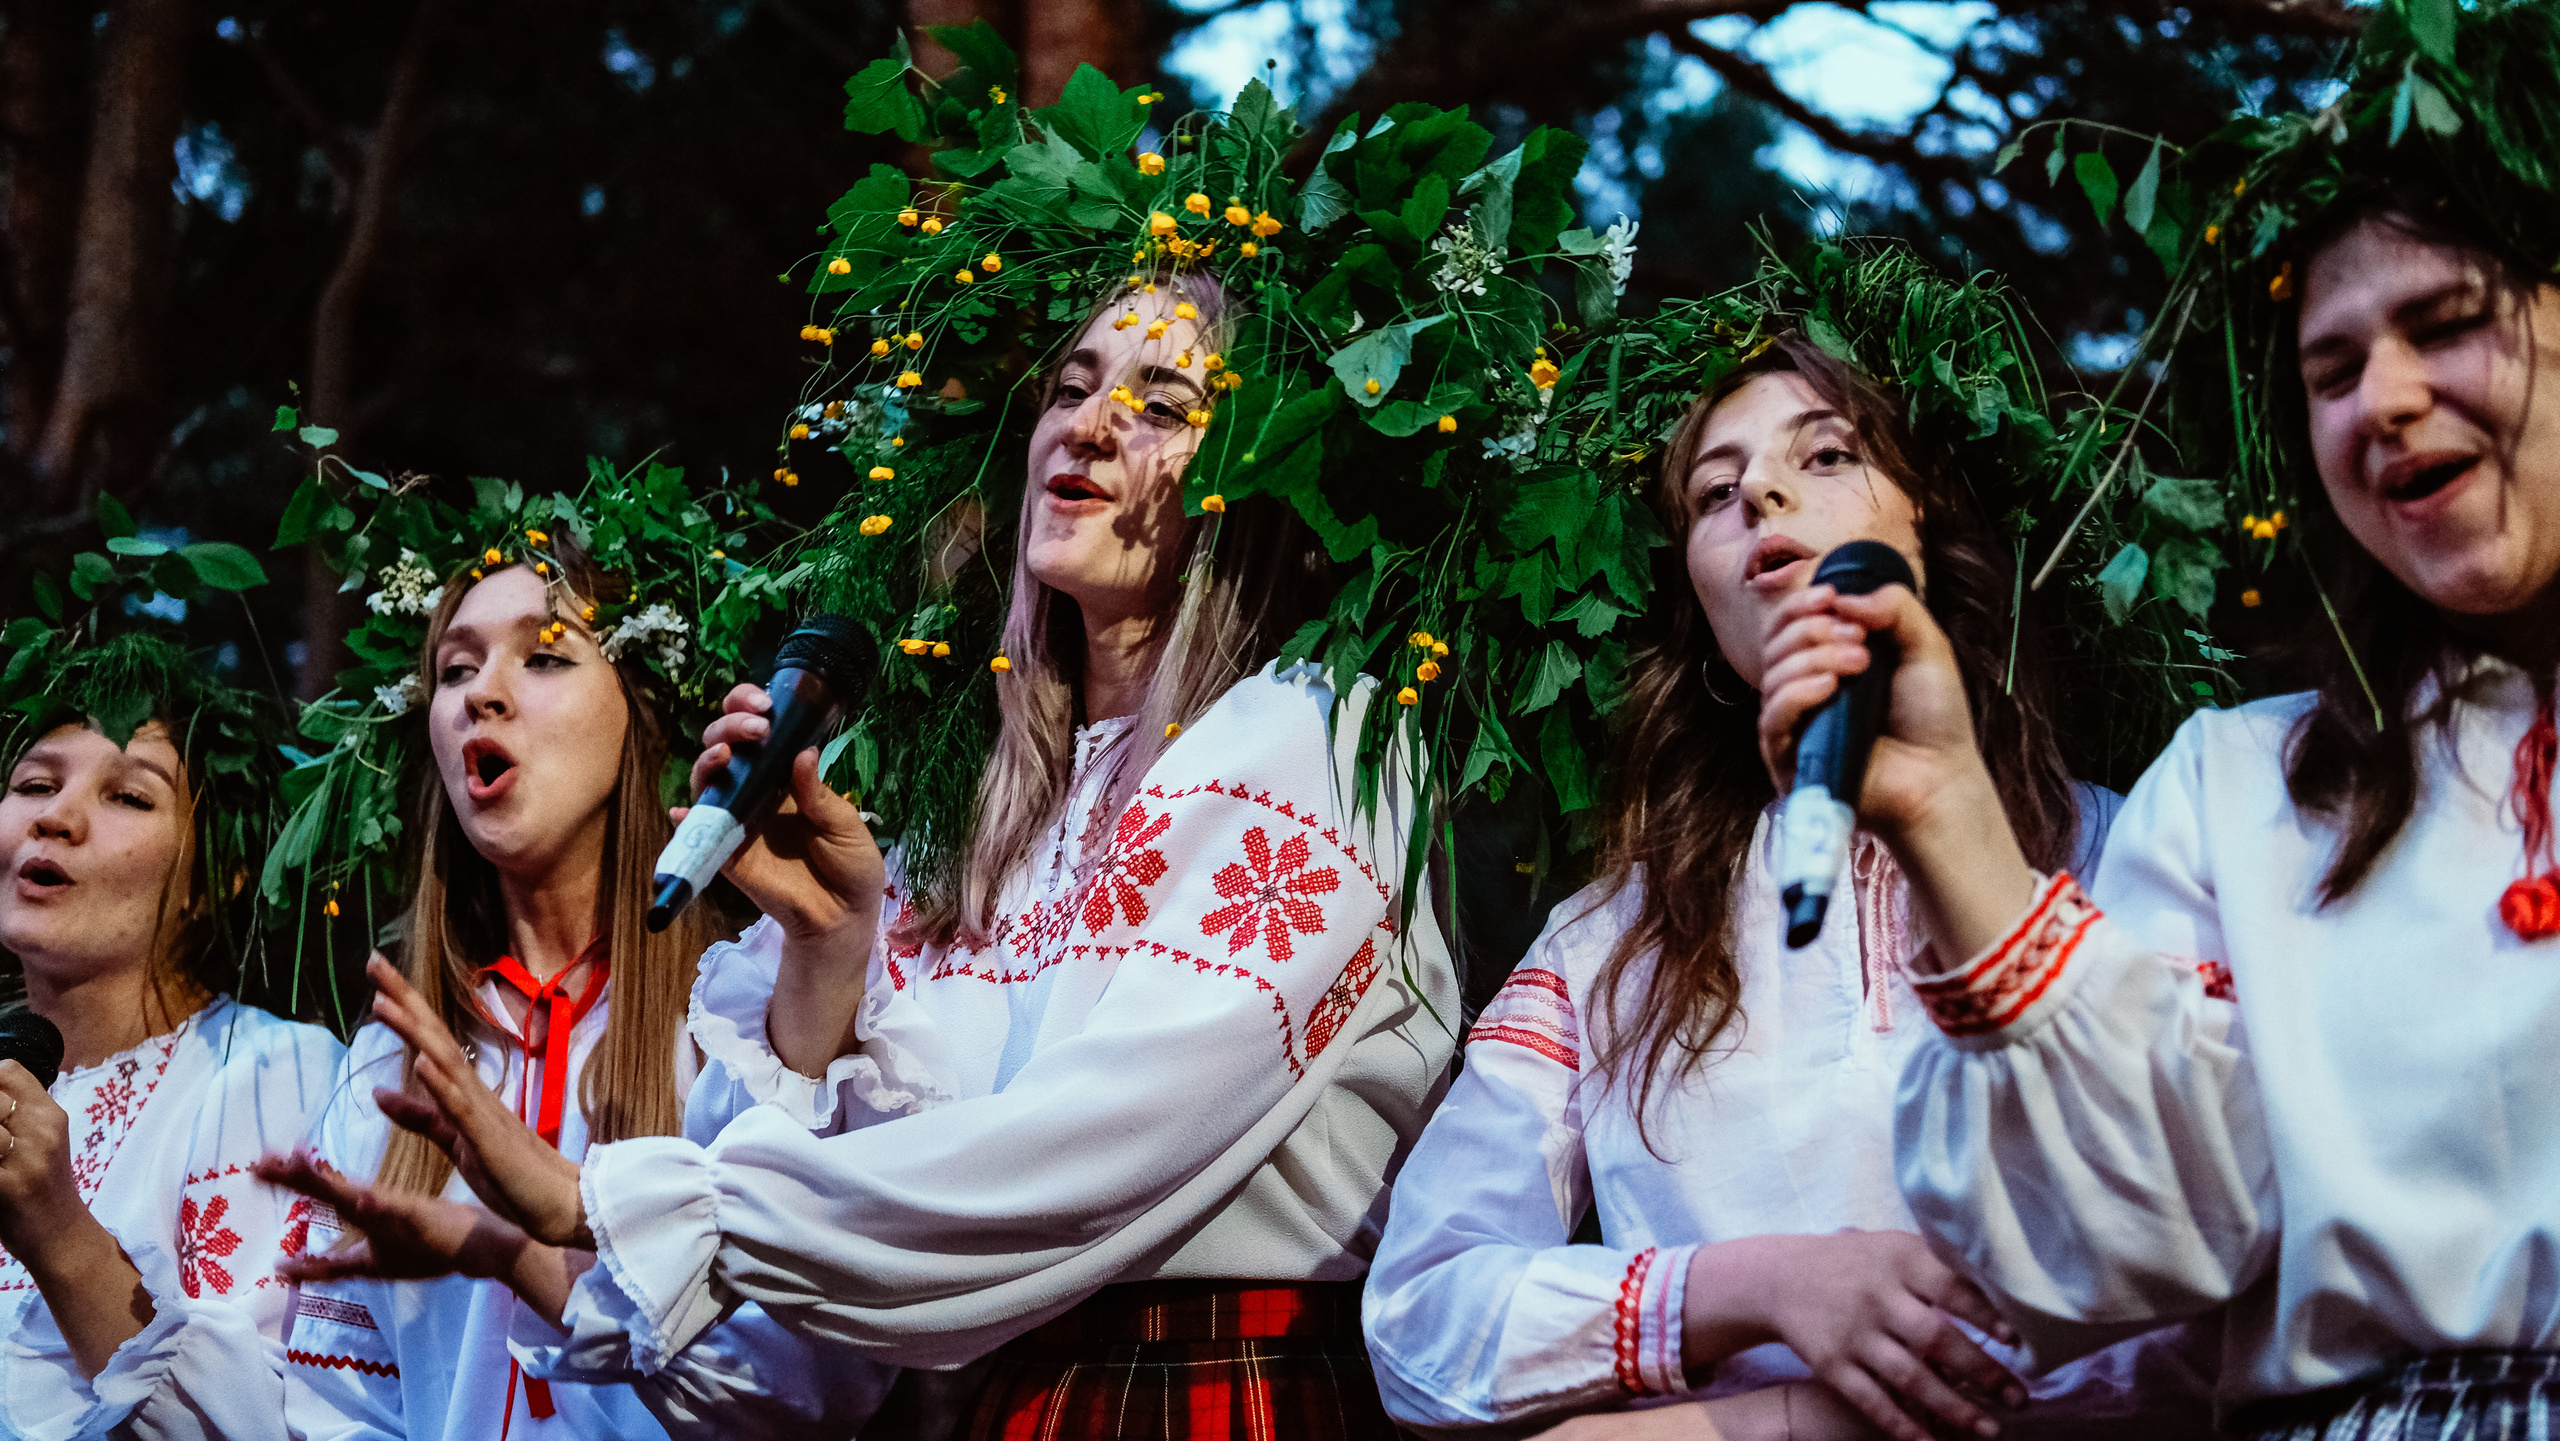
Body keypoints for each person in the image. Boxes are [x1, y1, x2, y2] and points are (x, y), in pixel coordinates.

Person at [253, 59, 1648, 1440]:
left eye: (1163, 406)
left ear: (1257, 487)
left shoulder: (1315, 731)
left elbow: (1088, 1150)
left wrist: (605, 1201)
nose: (1089, 424)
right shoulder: (974, 807)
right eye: (1073, 384)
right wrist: (828, 954)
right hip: (1005, 1405)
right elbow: (796, 1367)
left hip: (1218, 1389)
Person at [1757, 4, 2560, 1436]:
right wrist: (1949, 818)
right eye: (2328, 370)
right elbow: (2134, 1251)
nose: (2384, 398)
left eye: (2445, 324)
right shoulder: (2243, 788)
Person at [1362, 241, 2217, 1441]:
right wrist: (1756, 1297)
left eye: (1825, 455)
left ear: (1931, 516)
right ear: (1697, 600)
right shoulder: (1610, 941)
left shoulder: (2131, 850)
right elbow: (1420, 1318)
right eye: (1713, 493)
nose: (1760, 495)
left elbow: (2220, 1289)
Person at [255, 466, 885, 1440]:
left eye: (544, 657)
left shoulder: (742, 1021)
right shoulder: (391, 1067)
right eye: (456, 670)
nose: (482, 696)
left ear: (644, 711)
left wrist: (517, 1249)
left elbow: (813, 1390)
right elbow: (341, 1406)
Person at [0, 578, 346, 1441]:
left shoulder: (274, 1072)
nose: (56, 818)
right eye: (35, 782)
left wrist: (62, 1237)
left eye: (129, 795)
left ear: (216, 877)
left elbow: (272, 1425)